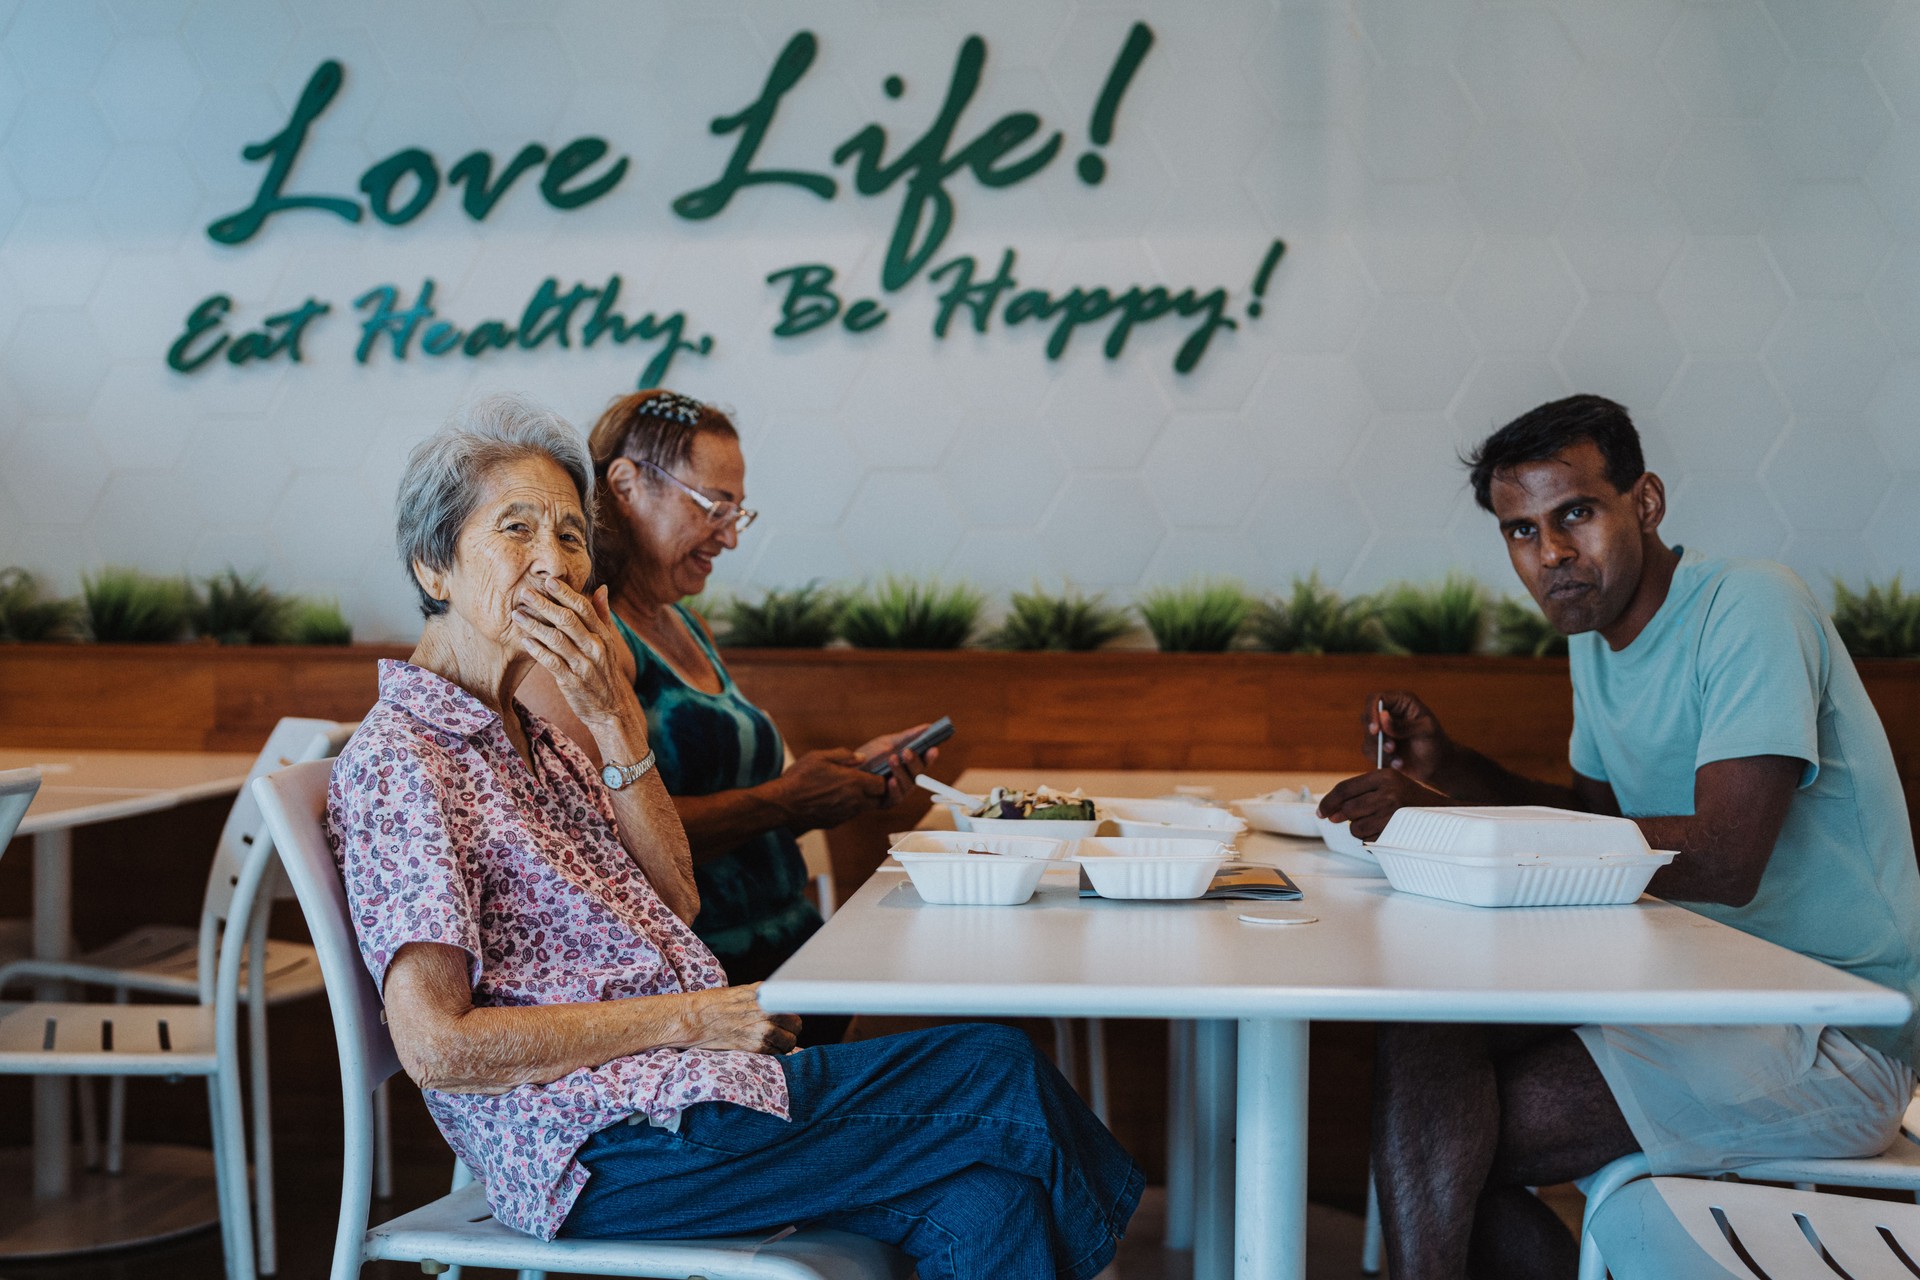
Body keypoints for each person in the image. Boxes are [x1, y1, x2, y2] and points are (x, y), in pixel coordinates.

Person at [326, 394, 1141, 1278]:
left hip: (685, 1101)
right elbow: (438, 1047)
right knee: (992, 1067)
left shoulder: (539, 740)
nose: (554, 561)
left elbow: (674, 898)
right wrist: (694, 1017)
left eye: (570, 535)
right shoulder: (405, 760)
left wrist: (615, 722)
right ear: (433, 568)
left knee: (994, 1205)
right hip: (603, 1150)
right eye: (516, 530)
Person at [1318, 394, 1920, 1280]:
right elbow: (1594, 826)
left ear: (1645, 502)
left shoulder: (1751, 606)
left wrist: (1450, 818)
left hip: (1834, 1037)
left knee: (1448, 1149)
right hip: (1696, 1000)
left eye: (1575, 514)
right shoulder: (1596, 641)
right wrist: (1454, 767)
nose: (1552, 553)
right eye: (1522, 532)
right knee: (1432, 1038)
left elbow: (1724, 857)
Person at [518, 389, 933, 1033]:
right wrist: (786, 801)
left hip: (789, 964)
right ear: (626, 484)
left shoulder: (686, 625)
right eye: (714, 506)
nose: (730, 536)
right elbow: (599, 846)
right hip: (708, 998)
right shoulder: (590, 643)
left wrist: (834, 791)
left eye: (739, 512)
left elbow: (732, 822)